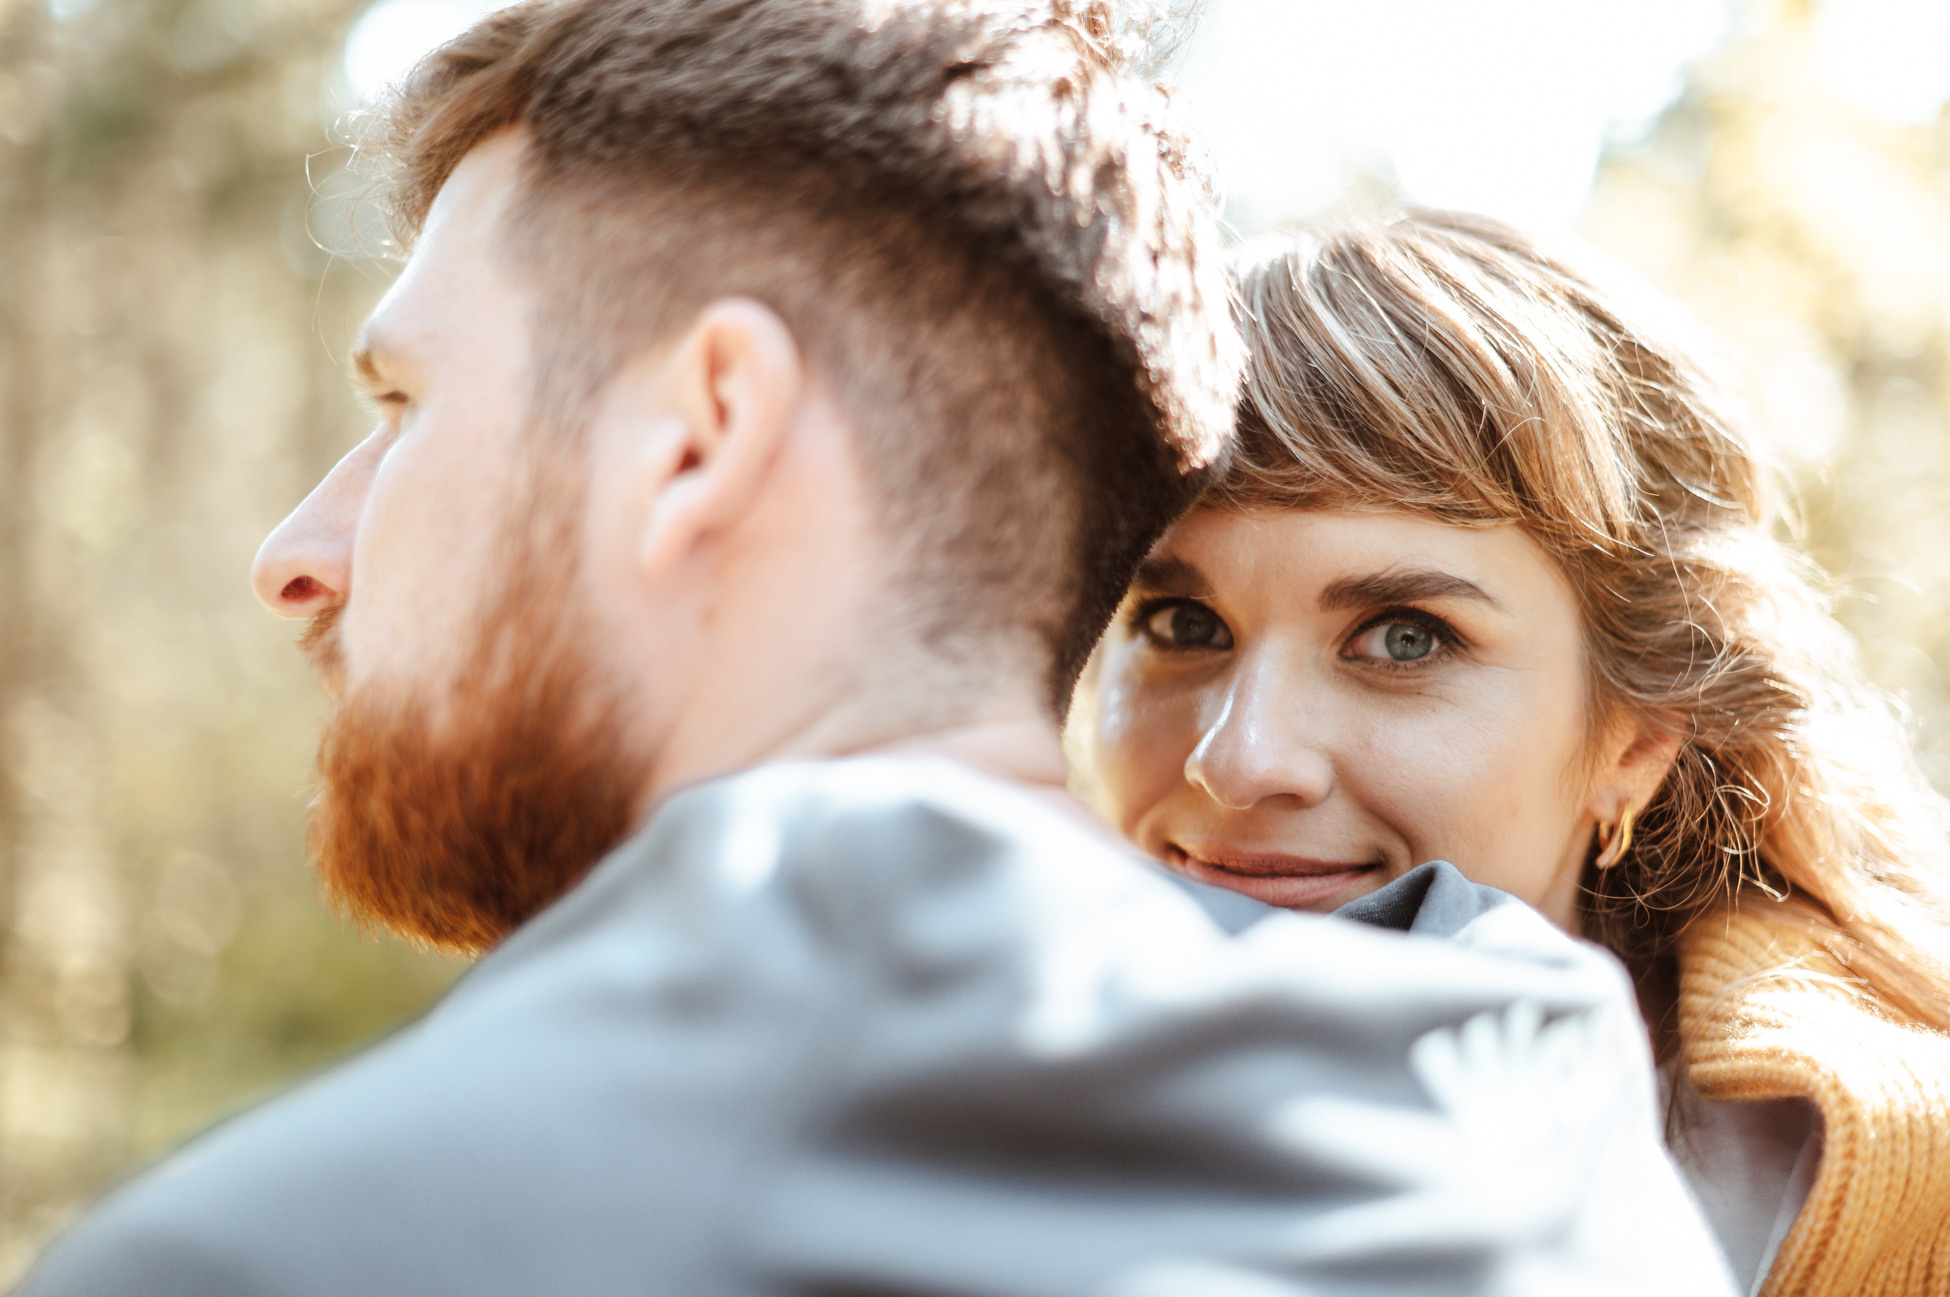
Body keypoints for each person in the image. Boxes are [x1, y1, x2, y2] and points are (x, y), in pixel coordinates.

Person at [17, 5, 1732, 1294]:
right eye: (1182, 623)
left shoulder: (285, 1255)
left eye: (407, 404)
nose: (300, 552)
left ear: (702, 432)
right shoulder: (1537, 1118)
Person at [1078, 209, 1950, 1297]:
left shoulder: (1870, 1201)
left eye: (1405, 637)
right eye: (1181, 623)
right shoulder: (949, 1094)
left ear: (1635, 740)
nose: (1240, 759)